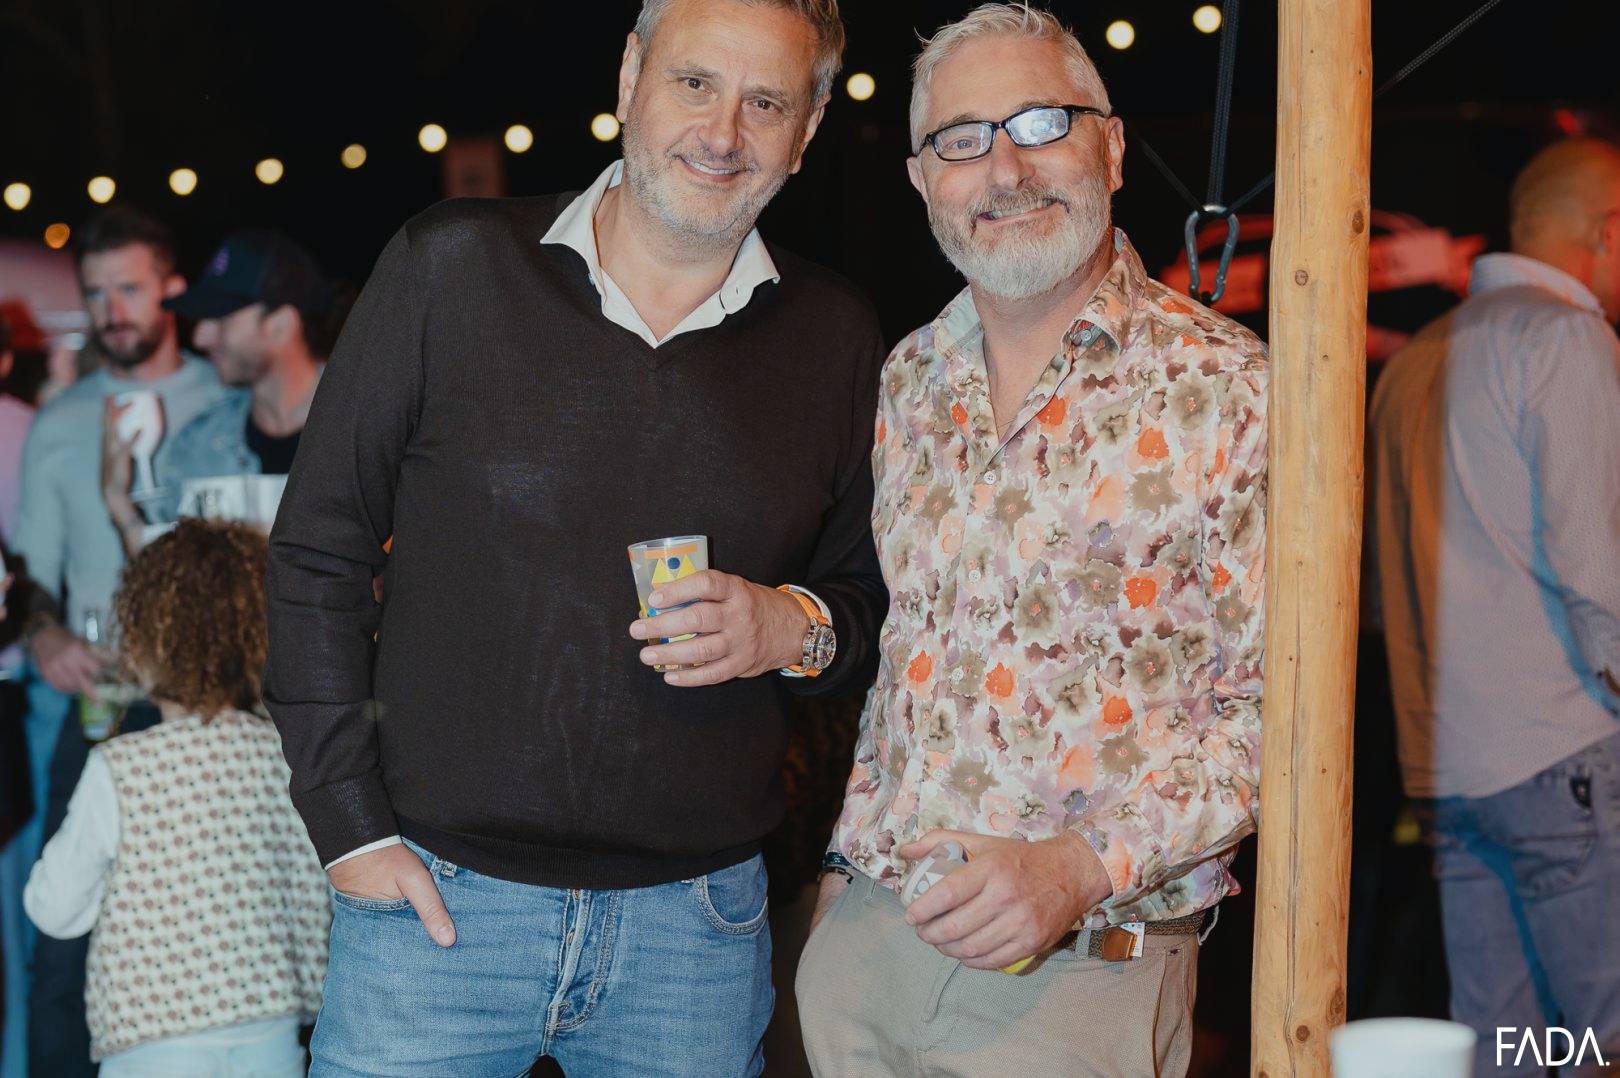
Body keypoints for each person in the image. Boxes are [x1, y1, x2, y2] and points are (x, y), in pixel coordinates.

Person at [264, 1, 885, 1073]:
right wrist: (349, 829)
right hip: (433, 909)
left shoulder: (835, 336)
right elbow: (318, 551)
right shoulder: (449, 266)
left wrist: (791, 626)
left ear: (810, 126)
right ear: (631, 75)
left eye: (766, 102)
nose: (723, 132)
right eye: (695, 83)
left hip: (696, 935)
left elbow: (871, 607)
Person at [795, 6, 1269, 1074]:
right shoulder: (911, 379)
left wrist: (1075, 868)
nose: (1004, 169)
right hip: (869, 958)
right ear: (922, 179)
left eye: (1041, 123)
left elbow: (1281, 718)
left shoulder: (1232, 387)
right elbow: (909, 659)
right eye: (961, 139)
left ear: (1111, 146)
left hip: (1081, 978)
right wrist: (841, 880)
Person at [1366, 137, 1620, 1075]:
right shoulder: (1561, 336)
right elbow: (1595, 570)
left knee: (1505, 1041)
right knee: (1601, 1040)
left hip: (1449, 770)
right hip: (1562, 753)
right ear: (1608, 231)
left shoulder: (1417, 359)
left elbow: (1380, 591)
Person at [1, 205, 225, 1078]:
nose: (112, 311)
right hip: (101, 707)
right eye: (96, 294)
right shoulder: (60, 424)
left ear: (172, 286)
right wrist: (45, 635)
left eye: (129, 288)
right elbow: (30, 579)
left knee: (205, 942)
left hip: (218, 712)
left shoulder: (226, 401)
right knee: (64, 942)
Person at [23, 519, 329, 1077]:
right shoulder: (283, 754)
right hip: (274, 1032)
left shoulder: (121, 768)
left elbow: (56, 908)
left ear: (140, 646)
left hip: (153, 1041)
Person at [102, 229, 341, 555]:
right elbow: (175, 579)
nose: (200, 337)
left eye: (221, 318)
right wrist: (119, 502)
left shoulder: (370, 432)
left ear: (281, 325)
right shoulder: (199, 448)